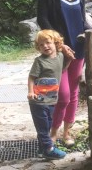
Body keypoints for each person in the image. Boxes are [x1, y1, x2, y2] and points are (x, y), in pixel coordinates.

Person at [36, 0, 92, 146]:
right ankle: (53, 132)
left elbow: (82, 19)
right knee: (63, 95)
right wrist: (60, 44)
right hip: (57, 52)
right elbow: (43, 18)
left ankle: (67, 132)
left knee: (73, 93)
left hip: (77, 50)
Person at [27, 29, 69, 160]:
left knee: (47, 124)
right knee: (42, 126)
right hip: (38, 100)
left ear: (56, 43)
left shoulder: (60, 57)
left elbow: (62, 69)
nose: (45, 46)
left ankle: (42, 149)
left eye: (48, 42)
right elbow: (31, 77)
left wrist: (69, 57)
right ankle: (49, 149)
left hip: (51, 99)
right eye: (41, 45)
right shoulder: (39, 61)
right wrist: (31, 91)